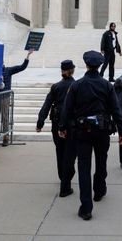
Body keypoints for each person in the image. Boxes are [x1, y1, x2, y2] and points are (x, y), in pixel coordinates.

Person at [58, 50, 122, 221]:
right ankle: (100, 190)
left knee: (84, 167)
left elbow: (67, 108)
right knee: (101, 161)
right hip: (102, 130)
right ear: (100, 65)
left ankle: (86, 206)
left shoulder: (77, 85)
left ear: (86, 64)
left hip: (82, 131)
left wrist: (62, 126)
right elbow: (116, 109)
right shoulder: (106, 85)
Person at [36, 59, 77, 197]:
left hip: (57, 123)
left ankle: (63, 178)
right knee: (70, 153)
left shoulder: (56, 87)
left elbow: (47, 104)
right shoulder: (76, 85)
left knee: (60, 151)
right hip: (72, 124)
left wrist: (40, 121)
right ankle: (66, 182)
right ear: (72, 70)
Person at [0, 50, 33, 146]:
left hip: (4, 96)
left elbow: (22, 67)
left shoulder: (8, 70)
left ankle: (6, 137)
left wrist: (28, 56)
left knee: (5, 117)